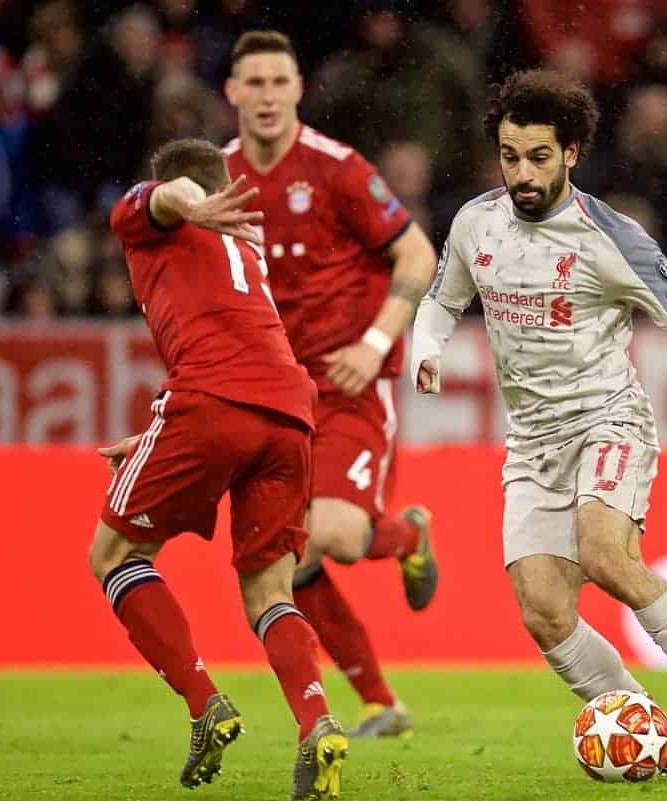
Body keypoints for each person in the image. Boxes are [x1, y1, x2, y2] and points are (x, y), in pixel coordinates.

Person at [411, 69, 667, 769]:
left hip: (609, 420)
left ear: (571, 151)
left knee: (605, 554)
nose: (521, 172)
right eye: (510, 156)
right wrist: (427, 346)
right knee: (543, 610)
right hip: (531, 442)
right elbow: (441, 300)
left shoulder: (612, 238)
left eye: (538, 156)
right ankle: (647, 726)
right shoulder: (474, 222)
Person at [88, 139, 347, 800]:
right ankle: (317, 720)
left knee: (114, 553)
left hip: (210, 403)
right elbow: (232, 345)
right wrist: (155, 431)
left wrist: (184, 202)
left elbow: (166, 198)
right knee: (269, 592)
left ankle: (204, 702)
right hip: (288, 414)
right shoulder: (246, 247)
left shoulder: (153, 213)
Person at [222, 30, 439, 738]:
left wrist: (376, 341)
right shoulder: (217, 181)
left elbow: (417, 252)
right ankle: (379, 701)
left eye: (278, 81)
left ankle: (406, 537)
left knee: (336, 535)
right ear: (231, 92)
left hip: (348, 384)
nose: (266, 95)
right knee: (284, 559)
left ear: (297, 90)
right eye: (253, 82)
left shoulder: (337, 169)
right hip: (270, 397)